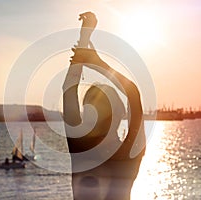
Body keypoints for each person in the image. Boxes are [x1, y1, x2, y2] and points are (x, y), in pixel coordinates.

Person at [62, 12, 146, 200]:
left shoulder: (80, 148)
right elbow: (133, 94)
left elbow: (68, 89)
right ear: (121, 112)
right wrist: (97, 63)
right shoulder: (129, 152)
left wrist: (85, 39)